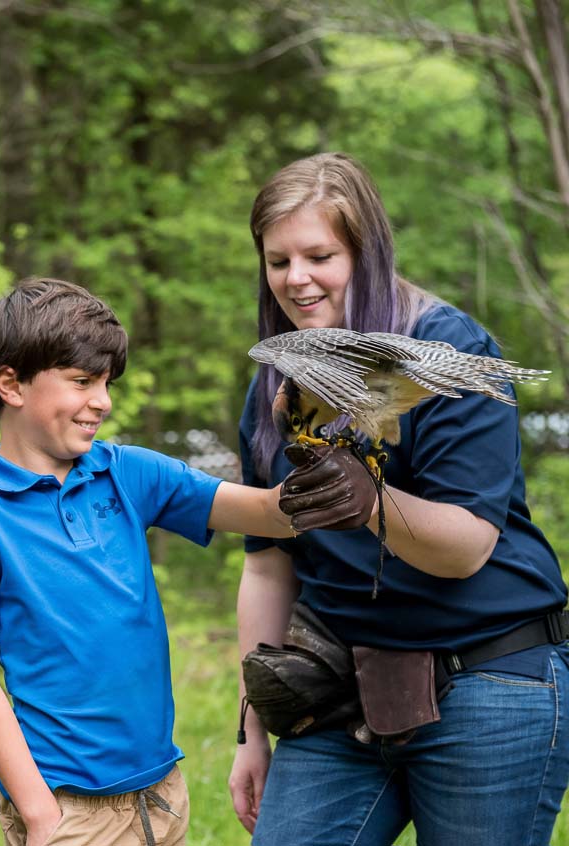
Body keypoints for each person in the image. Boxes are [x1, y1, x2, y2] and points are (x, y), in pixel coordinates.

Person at [0, 277, 372, 846]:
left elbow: (263, 511)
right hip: (65, 803)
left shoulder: (127, 471)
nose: (103, 401)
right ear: (10, 384)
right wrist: (39, 813)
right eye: (82, 381)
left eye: (107, 383)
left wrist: (334, 474)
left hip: (162, 791)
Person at [229, 152, 569, 845]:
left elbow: (468, 548)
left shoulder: (445, 344)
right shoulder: (276, 384)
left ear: (366, 249)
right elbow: (267, 564)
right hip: (340, 688)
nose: (297, 279)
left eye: (319, 255)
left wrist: (371, 501)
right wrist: (250, 730)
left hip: (489, 677)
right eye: (277, 260)